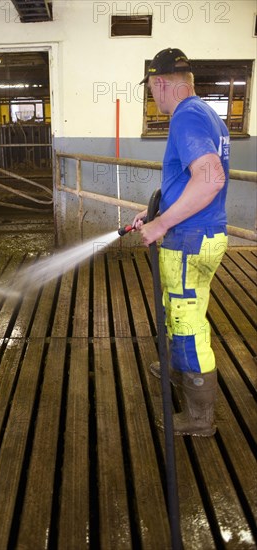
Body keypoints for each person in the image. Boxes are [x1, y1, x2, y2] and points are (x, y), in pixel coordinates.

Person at [133, 48, 230, 437]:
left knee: (187, 322)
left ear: (160, 83)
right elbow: (189, 180)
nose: (153, 98)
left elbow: (209, 179)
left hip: (189, 239)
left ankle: (199, 417)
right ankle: (177, 369)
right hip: (196, 233)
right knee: (179, 309)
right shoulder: (207, 113)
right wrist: (154, 213)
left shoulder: (185, 116)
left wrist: (161, 226)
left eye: (152, 89)